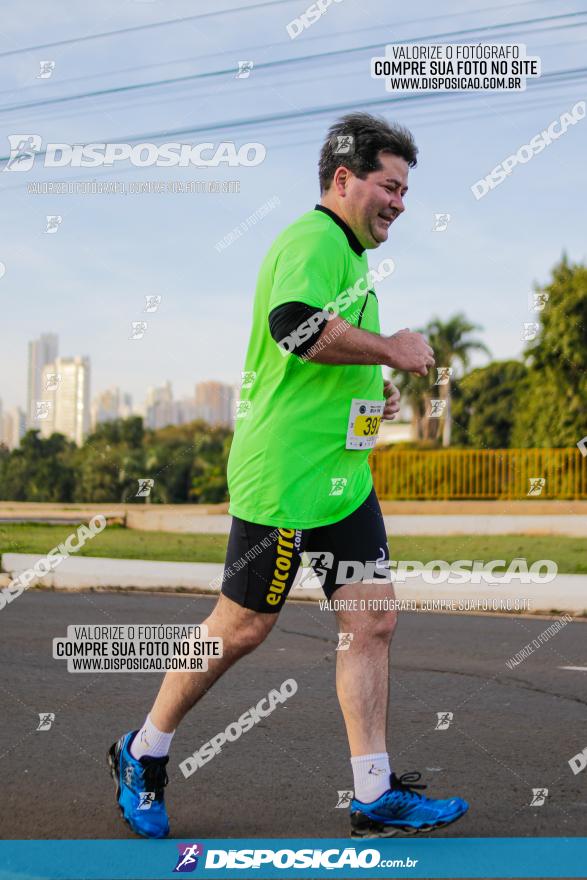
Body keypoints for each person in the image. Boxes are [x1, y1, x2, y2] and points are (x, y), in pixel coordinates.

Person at [108, 112, 469, 839]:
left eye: (404, 189)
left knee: (372, 621)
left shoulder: (352, 258)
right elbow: (296, 328)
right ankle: (142, 752)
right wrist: (392, 348)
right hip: (282, 481)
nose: (399, 201)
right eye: (387, 185)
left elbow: (325, 352)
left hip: (342, 481)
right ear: (343, 179)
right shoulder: (311, 239)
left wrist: (373, 382)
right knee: (241, 628)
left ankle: (373, 795)